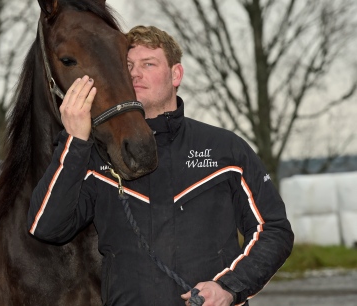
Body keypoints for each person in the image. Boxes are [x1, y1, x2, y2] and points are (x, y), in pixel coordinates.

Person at [28, 25, 294, 306]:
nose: (135, 73)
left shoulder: (225, 149)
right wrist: (75, 142)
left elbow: (273, 230)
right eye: (128, 65)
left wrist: (229, 287)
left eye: (148, 64)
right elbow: (47, 227)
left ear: (176, 74)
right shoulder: (97, 156)